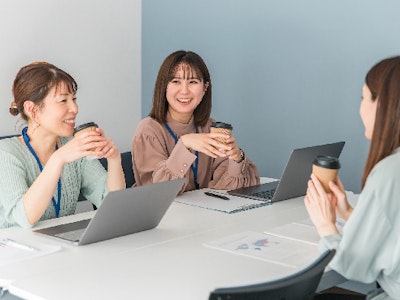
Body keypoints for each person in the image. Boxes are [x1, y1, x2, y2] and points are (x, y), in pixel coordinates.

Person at [305, 56, 400, 299]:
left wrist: (326, 225)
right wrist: (349, 213)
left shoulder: (390, 172)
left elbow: (352, 266)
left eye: (363, 96)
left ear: (383, 103)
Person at [0, 62, 125, 229]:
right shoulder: (6, 153)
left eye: (73, 99)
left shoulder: (73, 147)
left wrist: (114, 159)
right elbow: (23, 218)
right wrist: (58, 159)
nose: (74, 108)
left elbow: (113, 206)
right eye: (63, 100)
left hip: (61, 248)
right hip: (19, 251)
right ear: (32, 109)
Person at [132, 50, 259, 192]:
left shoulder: (209, 127)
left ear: (205, 88)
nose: (184, 91)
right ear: (164, 87)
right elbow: (157, 191)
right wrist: (185, 144)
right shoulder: (148, 130)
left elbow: (226, 188)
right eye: (176, 81)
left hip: (201, 212)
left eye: (192, 82)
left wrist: (236, 158)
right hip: (164, 214)